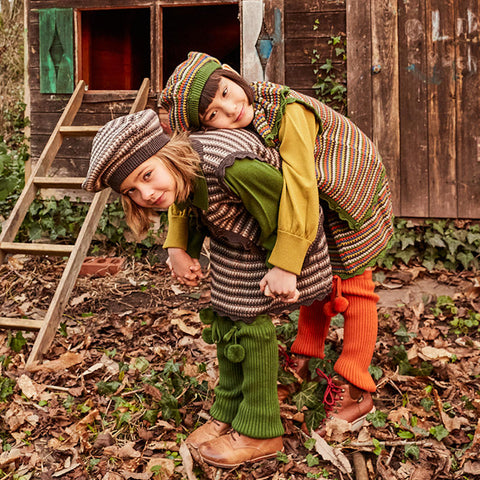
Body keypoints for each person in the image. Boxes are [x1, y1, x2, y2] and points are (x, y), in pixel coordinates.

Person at [159, 51, 395, 435]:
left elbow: (301, 185)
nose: (230, 108)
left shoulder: (289, 112)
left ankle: (357, 386)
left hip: (349, 193)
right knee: (315, 278)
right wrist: (177, 243)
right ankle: (304, 357)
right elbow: (187, 175)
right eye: (213, 114)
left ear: (233, 75)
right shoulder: (213, 140)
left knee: (353, 285)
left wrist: (286, 262)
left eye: (224, 91)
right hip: (306, 200)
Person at [82, 109, 332, 467]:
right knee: (225, 317)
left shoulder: (231, 168)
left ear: (166, 153)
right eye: (133, 191)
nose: (147, 193)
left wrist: (286, 265)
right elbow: (192, 206)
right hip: (238, 245)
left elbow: (295, 208)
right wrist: (181, 248)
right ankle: (229, 409)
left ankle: (262, 430)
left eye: (147, 176)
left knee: (250, 324)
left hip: (287, 243)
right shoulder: (182, 173)